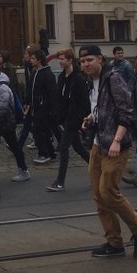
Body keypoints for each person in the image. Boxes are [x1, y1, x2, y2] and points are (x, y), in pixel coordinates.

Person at [79, 45, 137, 259]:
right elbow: (102, 107)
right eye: (82, 61)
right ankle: (114, 242)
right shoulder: (91, 81)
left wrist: (117, 140)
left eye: (89, 60)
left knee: (108, 190)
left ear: (100, 59)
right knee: (99, 196)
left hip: (114, 145)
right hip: (98, 143)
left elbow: (126, 112)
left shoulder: (113, 78)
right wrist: (91, 118)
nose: (85, 64)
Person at [47, 48, 90, 192]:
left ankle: (60, 181)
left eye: (62, 59)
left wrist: (78, 119)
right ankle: (100, 169)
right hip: (66, 119)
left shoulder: (78, 79)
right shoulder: (61, 78)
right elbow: (61, 99)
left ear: (70, 60)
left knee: (64, 147)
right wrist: (58, 115)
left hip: (74, 120)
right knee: (78, 148)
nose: (60, 61)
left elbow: (84, 102)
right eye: (59, 59)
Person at [0, 62, 29, 183]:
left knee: (13, 146)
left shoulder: (2, 87)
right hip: (4, 122)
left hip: (5, 122)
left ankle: (24, 170)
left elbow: (2, 107)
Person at [28, 48, 57, 164]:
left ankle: (44, 153)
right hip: (36, 106)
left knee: (38, 130)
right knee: (43, 130)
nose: (31, 60)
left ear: (39, 60)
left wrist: (52, 109)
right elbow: (31, 89)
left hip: (43, 107)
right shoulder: (36, 72)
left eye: (33, 58)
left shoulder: (47, 74)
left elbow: (52, 93)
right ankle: (50, 152)